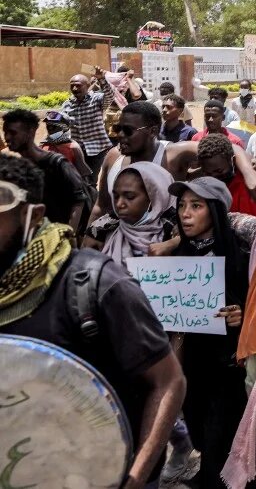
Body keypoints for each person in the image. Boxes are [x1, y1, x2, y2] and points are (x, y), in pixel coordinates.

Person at [0, 154, 185, 488]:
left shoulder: (96, 283)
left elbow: (168, 381)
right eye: (118, 196)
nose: (121, 203)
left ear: (33, 216)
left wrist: (134, 477)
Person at [169, 177, 256, 488]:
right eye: (181, 206)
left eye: (196, 206)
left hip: (232, 370)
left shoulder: (244, 255)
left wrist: (244, 314)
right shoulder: (177, 258)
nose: (185, 213)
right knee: (203, 434)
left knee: (228, 442)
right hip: (193, 367)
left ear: (215, 211)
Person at [91, 100, 256, 220]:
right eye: (117, 128)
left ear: (152, 131)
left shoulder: (173, 154)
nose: (120, 135)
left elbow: (228, 147)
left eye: (128, 130)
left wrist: (250, 174)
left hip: (166, 255)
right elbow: (101, 206)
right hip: (121, 250)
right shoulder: (113, 157)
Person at [2, 109, 90, 234]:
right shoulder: (20, 166)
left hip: (56, 233)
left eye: (13, 133)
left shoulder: (57, 163)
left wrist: (68, 234)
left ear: (30, 132)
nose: (7, 138)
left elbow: (79, 201)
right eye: (5, 132)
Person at [84, 161, 176, 264]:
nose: (119, 204)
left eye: (129, 197)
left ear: (154, 198)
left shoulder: (176, 232)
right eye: (116, 196)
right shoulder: (101, 230)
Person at [62, 69, 115, 180]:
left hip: (96, 149)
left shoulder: (97, 99)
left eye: (78, 86)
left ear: (88, 86)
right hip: (77, 150)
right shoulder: (67, 105)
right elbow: (62, 126)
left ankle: (91, 196)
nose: (75, 89)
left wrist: (101, 79)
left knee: (91, 180)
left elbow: (110, 96)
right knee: (77, 179)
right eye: (72, 86)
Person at [198, 133, 256, 216]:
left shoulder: (246, 189)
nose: (214, 178)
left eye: (219, 171)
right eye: (208, 173)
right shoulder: (201, 188)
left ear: (232, 161)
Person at [40, 110, 93, 181]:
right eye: (48, 126)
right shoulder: (43, 145)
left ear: (64, 128)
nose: (50, 129)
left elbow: (84, 174)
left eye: (53, 127)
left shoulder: (73, 147)